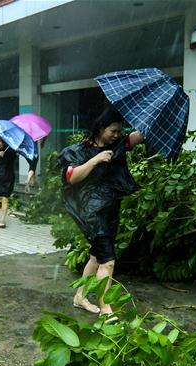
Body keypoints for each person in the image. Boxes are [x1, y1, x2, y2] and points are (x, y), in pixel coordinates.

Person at [58, 106, 144, 317]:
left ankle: (80, 296)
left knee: (96, 258)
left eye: (119, 131)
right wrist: (95, 160)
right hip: (91, 212)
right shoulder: (79, 150)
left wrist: (157, 114)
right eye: (113, 130)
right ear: (101, 128)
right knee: (108, 261)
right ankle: (105, 308)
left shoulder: (119, 145)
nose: (117, 135)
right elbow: (71, 177)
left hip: (110, 209)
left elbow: (141, 135)